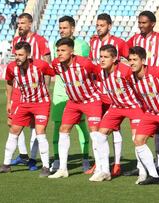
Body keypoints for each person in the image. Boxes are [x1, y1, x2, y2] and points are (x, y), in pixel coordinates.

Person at [0, 42, 54, 177]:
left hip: (41, 103)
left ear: (28, 55)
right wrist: (9, 101)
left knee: (40, 131)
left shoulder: (40, 65)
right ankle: (6, 165)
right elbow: (8, 82)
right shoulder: (11, 67)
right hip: (24, 103)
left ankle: (46, 167)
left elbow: (52, 72)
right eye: (16, 55)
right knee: (13, 130)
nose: (17, 57)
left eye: (20, 55)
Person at [88, 44, 144, 182]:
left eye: (106, 57)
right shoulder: (100, 72)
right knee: (100, 136)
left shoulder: (125, 71)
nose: (102, 60)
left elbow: (141, 82)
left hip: (134, 106)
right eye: (100, 57)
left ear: (114, 59)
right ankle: (105, 171)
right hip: (116, 107)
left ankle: (143, 171)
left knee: (137, 139)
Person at [48, 38, 102, 179]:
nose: (59, 53)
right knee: (63, 130)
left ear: (72, 51)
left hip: (91, 100)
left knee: (95, 133)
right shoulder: (56, 64)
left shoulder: (85, 63)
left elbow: (100, 74)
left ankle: (100, 169)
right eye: (58, 50)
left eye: (63, 50)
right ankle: (63, 169)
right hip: (73, 102)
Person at [128, 46, 159, 186]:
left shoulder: (157, 71)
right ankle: (154, 175)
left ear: (143, 61)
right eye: (130, 60)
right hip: (151, 113)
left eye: (135, 60)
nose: (131, 63)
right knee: (138, 140)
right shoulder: (130, 77)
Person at [126, 10, 159, 176]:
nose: (141, 25)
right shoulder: (134, 40)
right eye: (139, 22)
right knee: (138, 130)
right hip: (140, 91)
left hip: (157, 90)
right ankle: (141, 165)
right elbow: (123, 52)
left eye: (144, 23)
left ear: (152, 23)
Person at [88, 13, 129, 177]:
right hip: (99, 91)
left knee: (115, 127)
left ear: (109, 26)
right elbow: (92, 62)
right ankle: (99, 164)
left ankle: (117, 163)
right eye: (97, 25)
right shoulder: (93, 41)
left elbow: (130, 60)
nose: (99, 28)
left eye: (102, 25)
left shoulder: (119, 43)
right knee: (98, 128)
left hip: (115, 92)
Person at [49, 15, 92, 174]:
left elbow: (86, 69)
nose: (62, 31)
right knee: (58, 126)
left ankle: (85, 158)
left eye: (65, 28)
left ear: (72, 28)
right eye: (60, 28)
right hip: (60, 93)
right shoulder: (55, 45)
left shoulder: (82, 45)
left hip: (78, 94)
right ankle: (57, 159)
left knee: (81, 126)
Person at [10, 13, 51, 171]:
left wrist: (46, 88)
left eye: (23, 23)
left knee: (35, 124)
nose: (20, 26)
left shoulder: (40, 40)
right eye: (18, 23)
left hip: (36, 90)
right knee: (13, 123)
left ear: (30, 24)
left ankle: (32, 159)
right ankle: (23, 154)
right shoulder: (16, 41)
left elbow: (47, 65)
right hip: (19, 89)